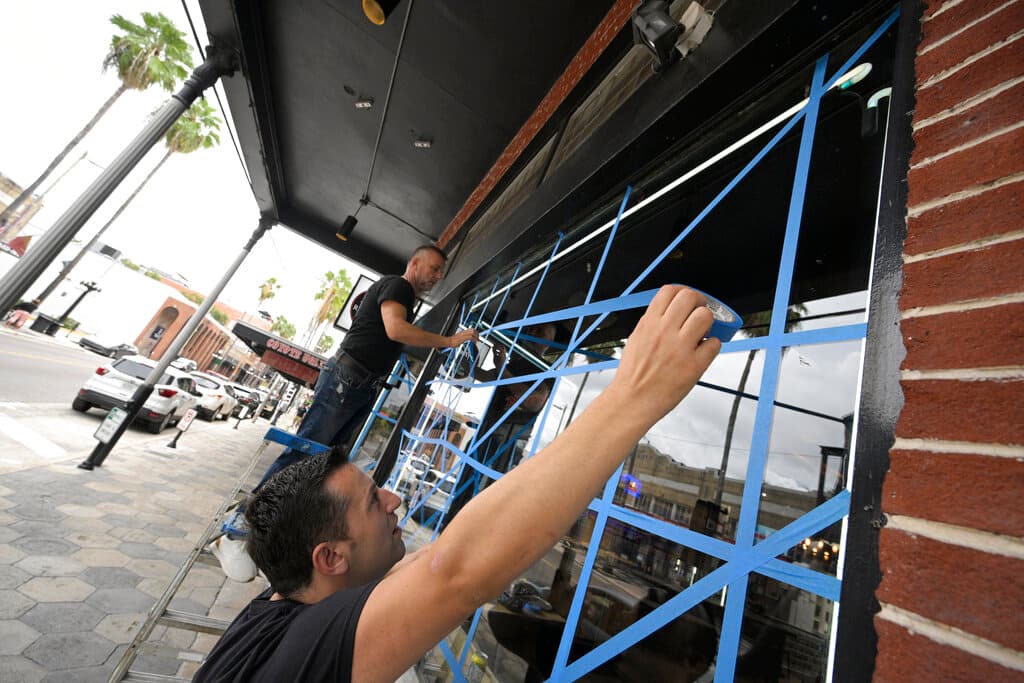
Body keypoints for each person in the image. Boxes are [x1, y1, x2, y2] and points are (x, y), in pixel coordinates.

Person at [192, 286, 720, 682]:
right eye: (374, 503)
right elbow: (454, 571)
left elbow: (442, 556)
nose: (394, 497)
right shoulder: (310, 648)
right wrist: (636, 393)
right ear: (329, 558)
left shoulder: (284, 606)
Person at [254, 245, 479, 489]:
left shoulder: (402, 295)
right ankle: (258, 511)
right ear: (414, 263)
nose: (438, 276)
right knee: (306, 449)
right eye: (434, 269)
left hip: (357, 382)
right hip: (348, 379)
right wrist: (447, 341)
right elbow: (396, 329)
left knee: (321, 458)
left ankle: (277, 514)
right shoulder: (399, 286)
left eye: (440, 272)